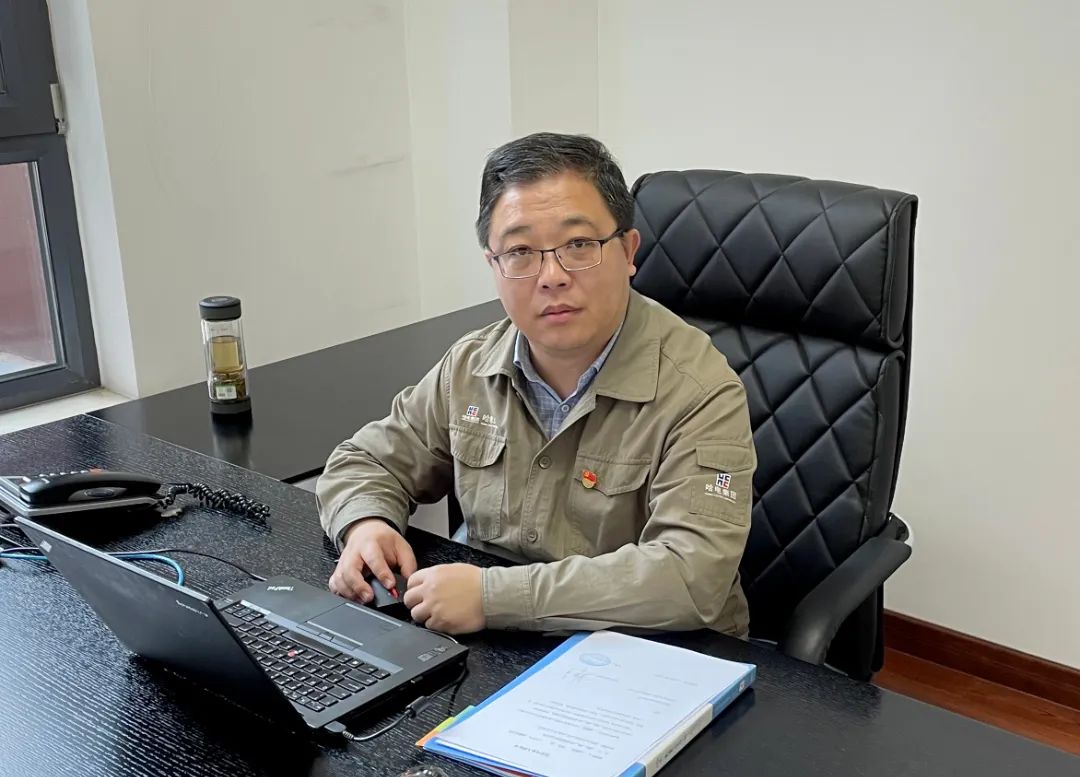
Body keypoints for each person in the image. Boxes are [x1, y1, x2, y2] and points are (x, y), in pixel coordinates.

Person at [317, 132, 755, 636]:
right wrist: (366, 524)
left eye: (579, 245)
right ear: (493, 265)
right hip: (499, 645)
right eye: (521, 250)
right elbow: (366, 460)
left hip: (661, 654)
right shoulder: (471, 366)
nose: (552, 275)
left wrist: (494, 597)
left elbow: (691, 576)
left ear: (628, 250)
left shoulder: (701, 392)